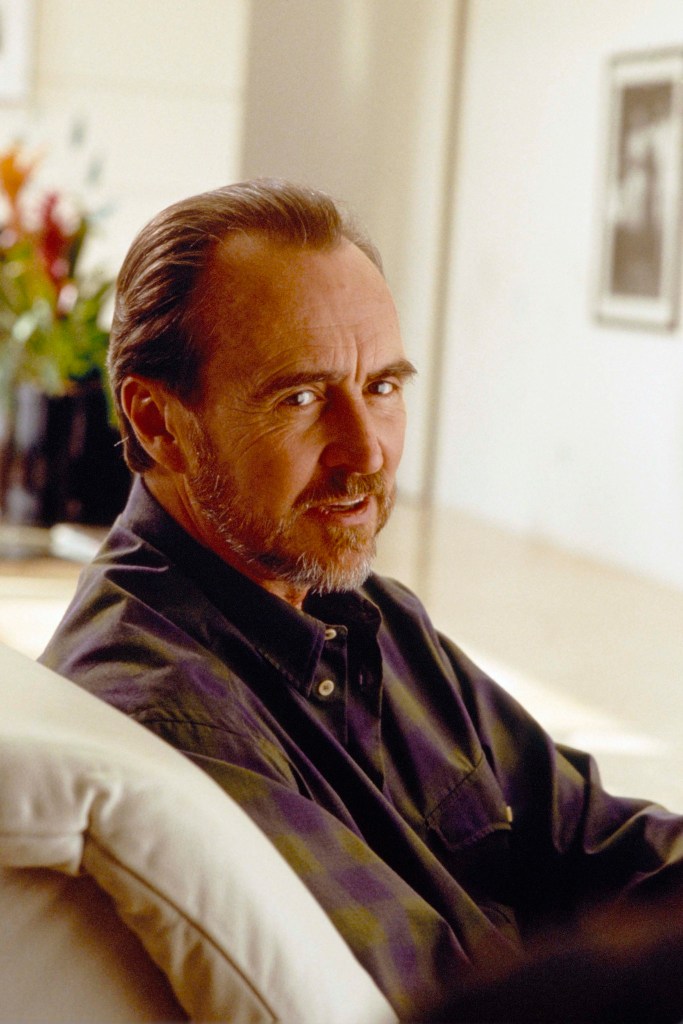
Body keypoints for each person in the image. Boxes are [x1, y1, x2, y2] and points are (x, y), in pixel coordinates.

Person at [41, 180, 683, 1021]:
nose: (366, 452)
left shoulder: (361, 613)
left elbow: (592, 837)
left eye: (381, 387)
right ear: (159, 423)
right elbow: (436, 1006)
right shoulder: (174, 721)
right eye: (300, 397)